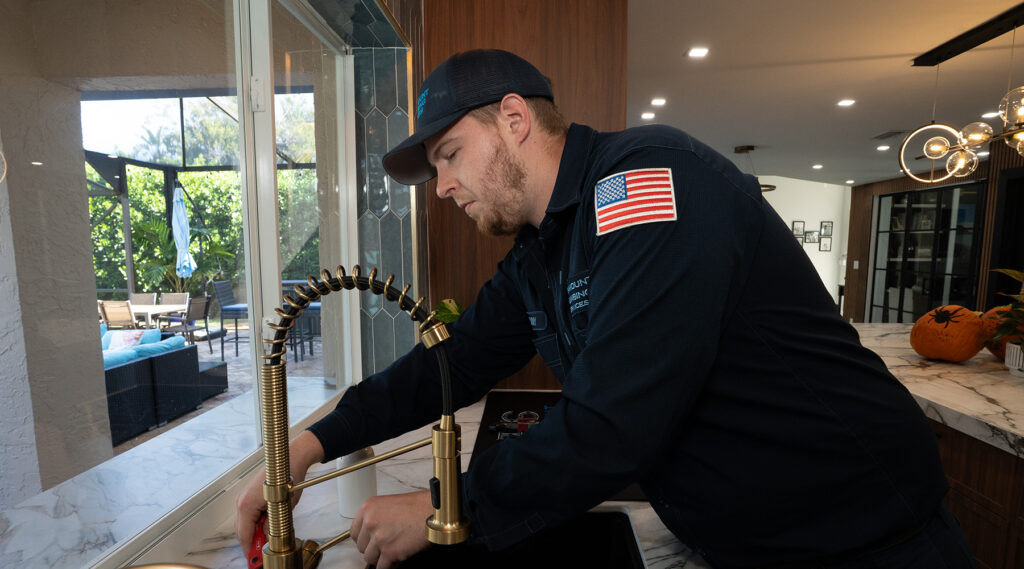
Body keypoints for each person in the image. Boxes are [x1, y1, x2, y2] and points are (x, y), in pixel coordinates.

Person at [237, 49, 976, 569]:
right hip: (751, 540)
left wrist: (446, 505)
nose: (442, 186)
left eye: (451, 154)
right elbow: (454, 359)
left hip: (867, 539)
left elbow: (615, 419)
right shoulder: (541, 250)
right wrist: (309, 444)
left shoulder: (650, 186)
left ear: (515, 118)